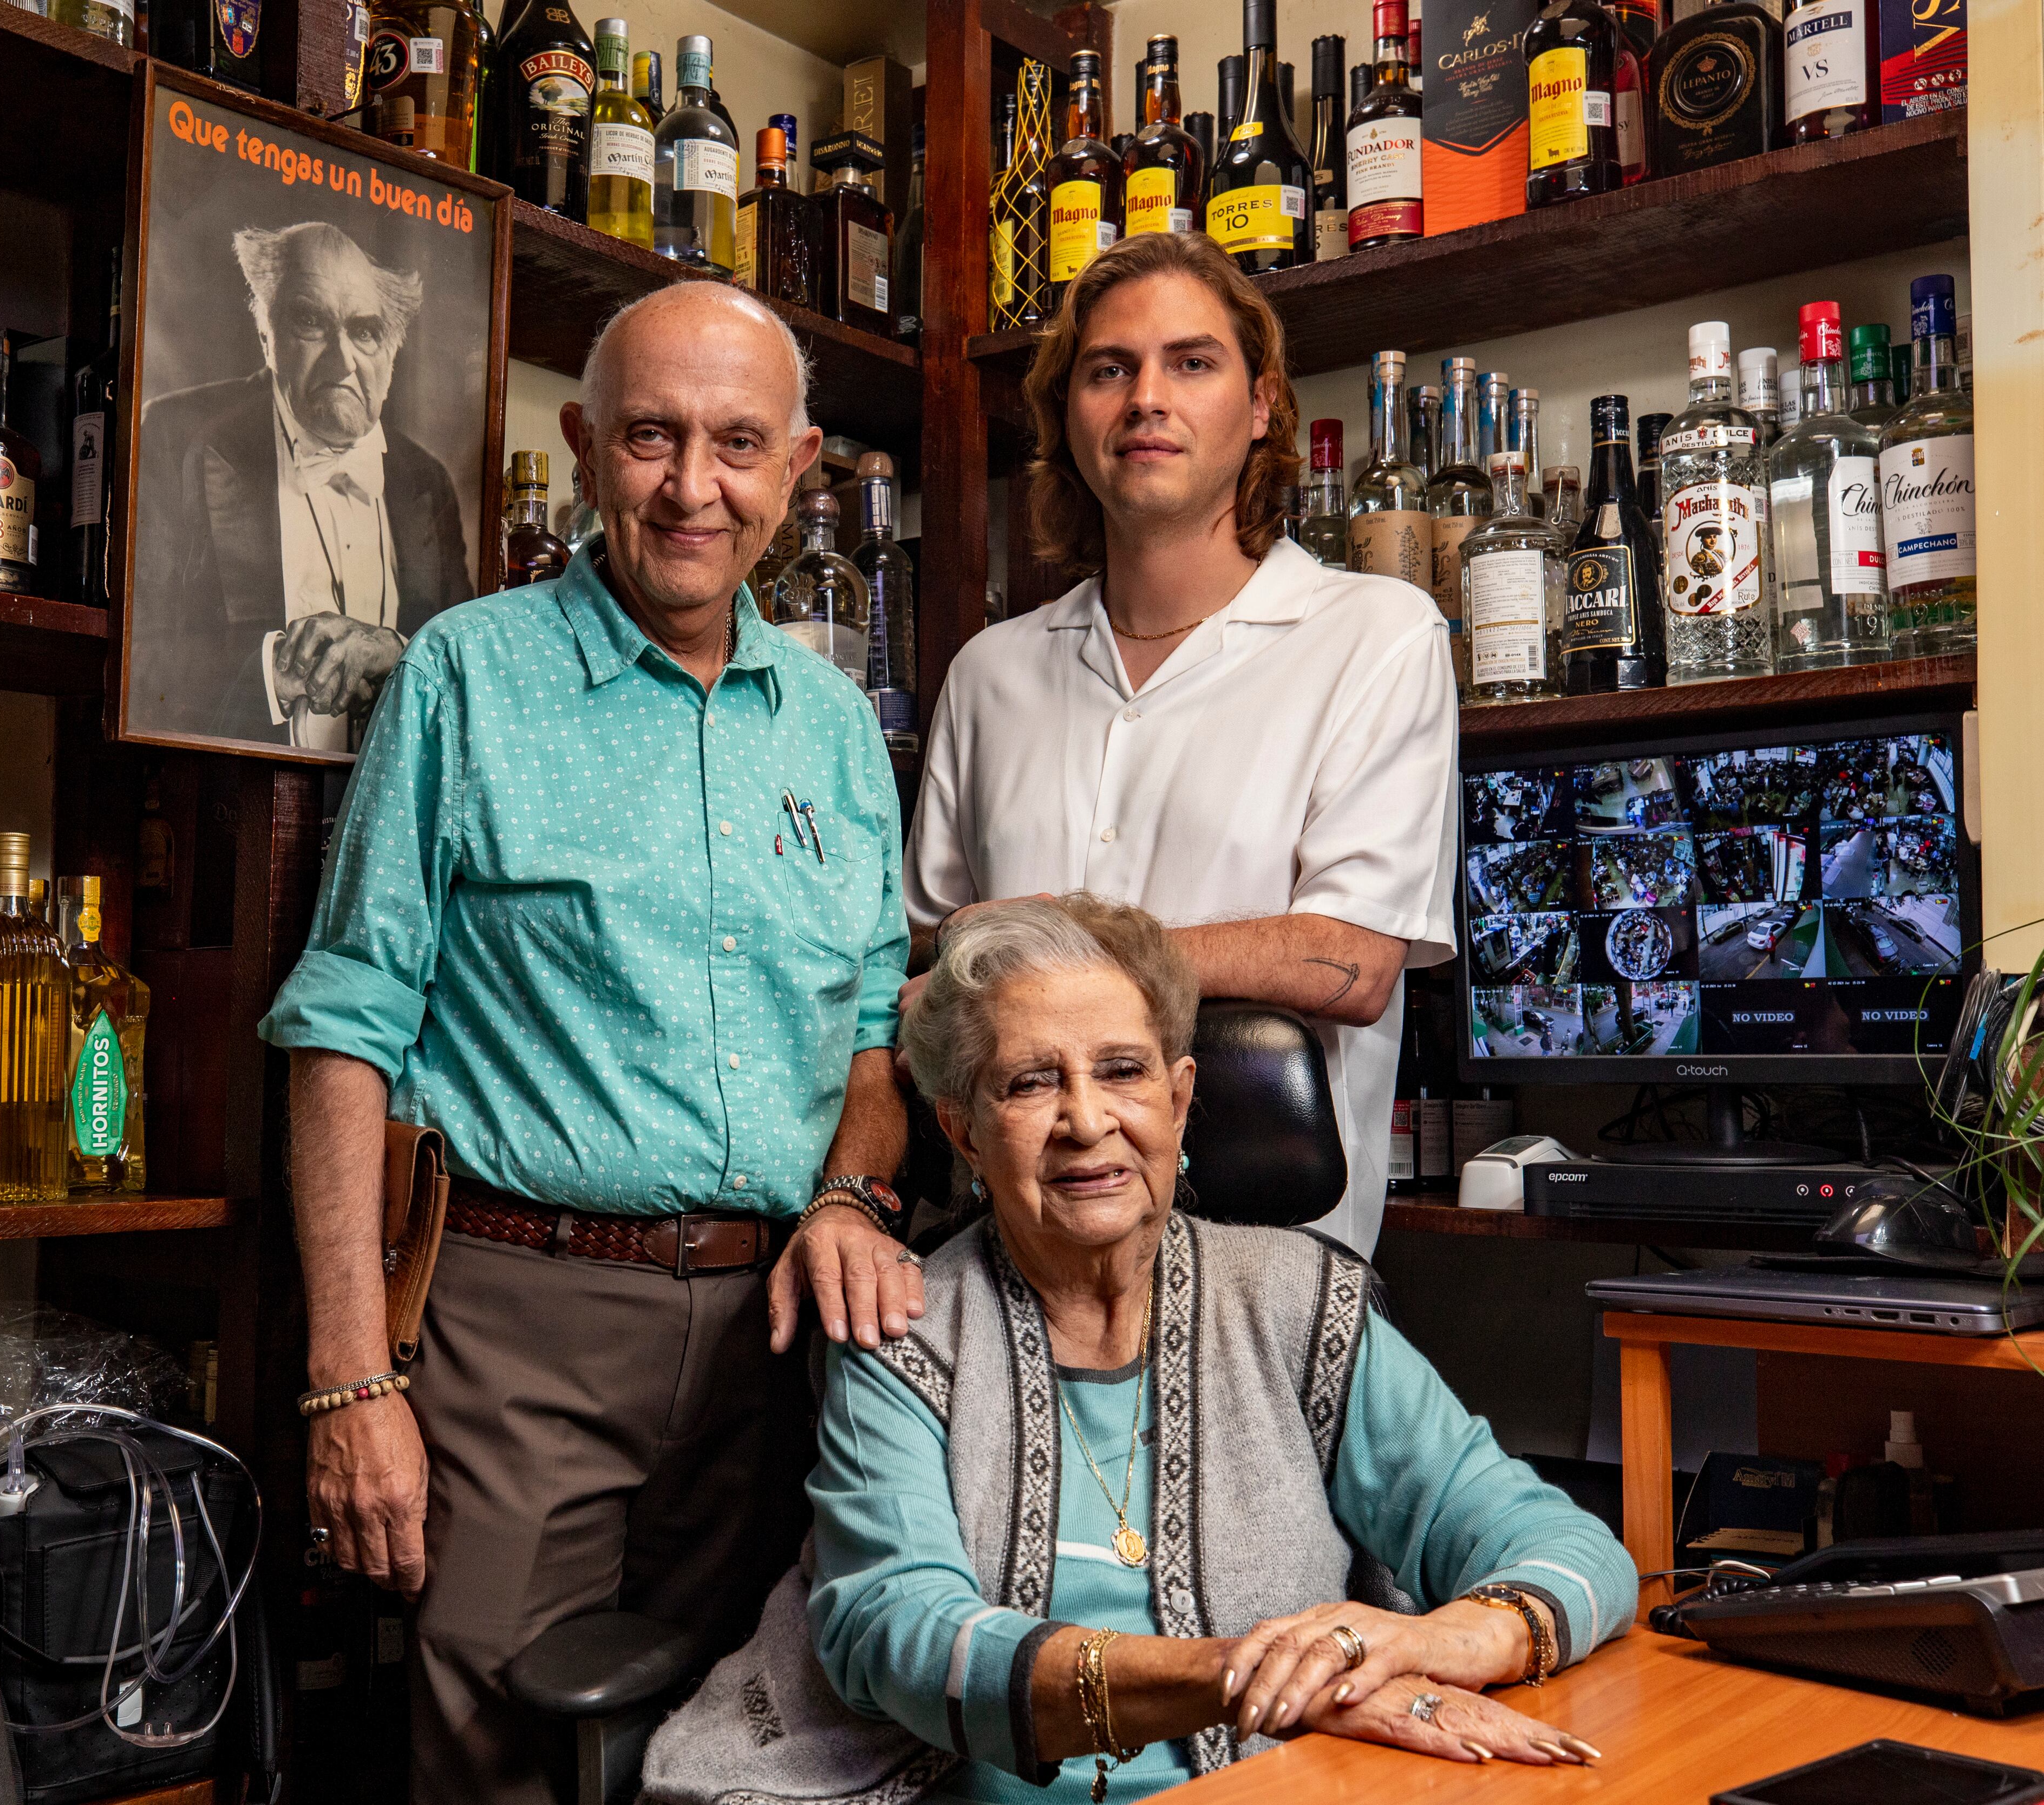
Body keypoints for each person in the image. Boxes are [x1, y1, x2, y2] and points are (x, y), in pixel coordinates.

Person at [259, 280, 926, 1804]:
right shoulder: (469, 675)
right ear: (582, 446)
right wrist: (351, 1380)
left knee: (746, 1754)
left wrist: (843, 1197)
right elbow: (345, 1024)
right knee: (500, 1748)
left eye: (739, 444)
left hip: (774, 1334)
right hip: (519, 1317)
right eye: (652, 437)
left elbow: (879, 1032)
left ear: (799, 464)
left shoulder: (835, 727)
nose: (696, 487)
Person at [643, 895, 1633, 1803]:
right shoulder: (903, 1325)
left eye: (1122, 1069)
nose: (1087, 1120)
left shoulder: (1296, 1302)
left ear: (1179, 1095)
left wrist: (1431, 1640)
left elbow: (1573, 1549)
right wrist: (1248, 1675)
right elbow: (899, 1633)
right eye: (1032, 1082)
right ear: (966, 1131)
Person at [903, 231, 1458, 1257]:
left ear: (1261, 408)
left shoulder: (1375, 635)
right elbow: (935, 958)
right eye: (1108, 370)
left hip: (1266, 1270)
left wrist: (1055, 937)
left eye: (1191, 362)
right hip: (1011, 1253)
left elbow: (1353, 957)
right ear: (1067, 416)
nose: (1145, 397)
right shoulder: (990, 672)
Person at [135, 220, 473, 751]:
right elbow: (140, 657)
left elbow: (467, 681)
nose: (342, 362)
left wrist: (398, 653)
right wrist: (273, 668)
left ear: (392, 350)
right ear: (266, 333)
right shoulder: (176, 436)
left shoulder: (426, 482)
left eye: (364, 332)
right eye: (311, 322)